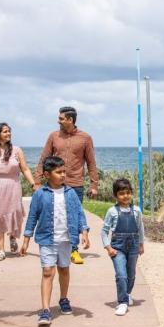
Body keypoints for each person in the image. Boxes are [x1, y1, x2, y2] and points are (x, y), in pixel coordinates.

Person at [21, 156, 90, 327]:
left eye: (64, 172)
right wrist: (26, 240)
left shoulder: (70, 193)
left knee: (64, 270)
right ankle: (45, 310)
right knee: (47, 272)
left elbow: (79, 213)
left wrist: (84, 232)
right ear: (46, 174)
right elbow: (32, 218)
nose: (62, 175)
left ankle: (63, 299)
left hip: (66, 239)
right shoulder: (39, 194)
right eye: (58, 172)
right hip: (47, 239)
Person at [33, 106, 98, 265]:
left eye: (61, 118)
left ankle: (74, 250)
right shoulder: (53, 136)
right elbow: (44, 158)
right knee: (55, 215)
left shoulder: (85, 138)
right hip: (54, 184)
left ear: (70, 120)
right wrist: (37, 181)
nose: (58, 121)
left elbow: (91, 163)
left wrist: (94, 185)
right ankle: (54, 247)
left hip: (75, 184)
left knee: (74, 217)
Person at [0, 122, 36, 261]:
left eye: (9, 131)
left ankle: (13, 237)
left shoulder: (17, 150)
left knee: (14, 214)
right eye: (5, 131)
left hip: (13, 186)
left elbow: (25, 169)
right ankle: (1, 251)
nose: (8, 133)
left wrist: (33, 184)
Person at [101, 178, 145, 316]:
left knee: (131, 274)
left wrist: (141, 244)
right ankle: (122, 302)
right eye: (121, 193)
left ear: (131, 193)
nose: (125, 196)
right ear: (115, 196)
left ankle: (127, 293)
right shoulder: (112, 211)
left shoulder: (137, 210)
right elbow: (104, 231)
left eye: (127, 192)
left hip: (133, 246)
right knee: (121, 275)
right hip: (117, 247)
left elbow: (140, 228)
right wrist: (108, 247)